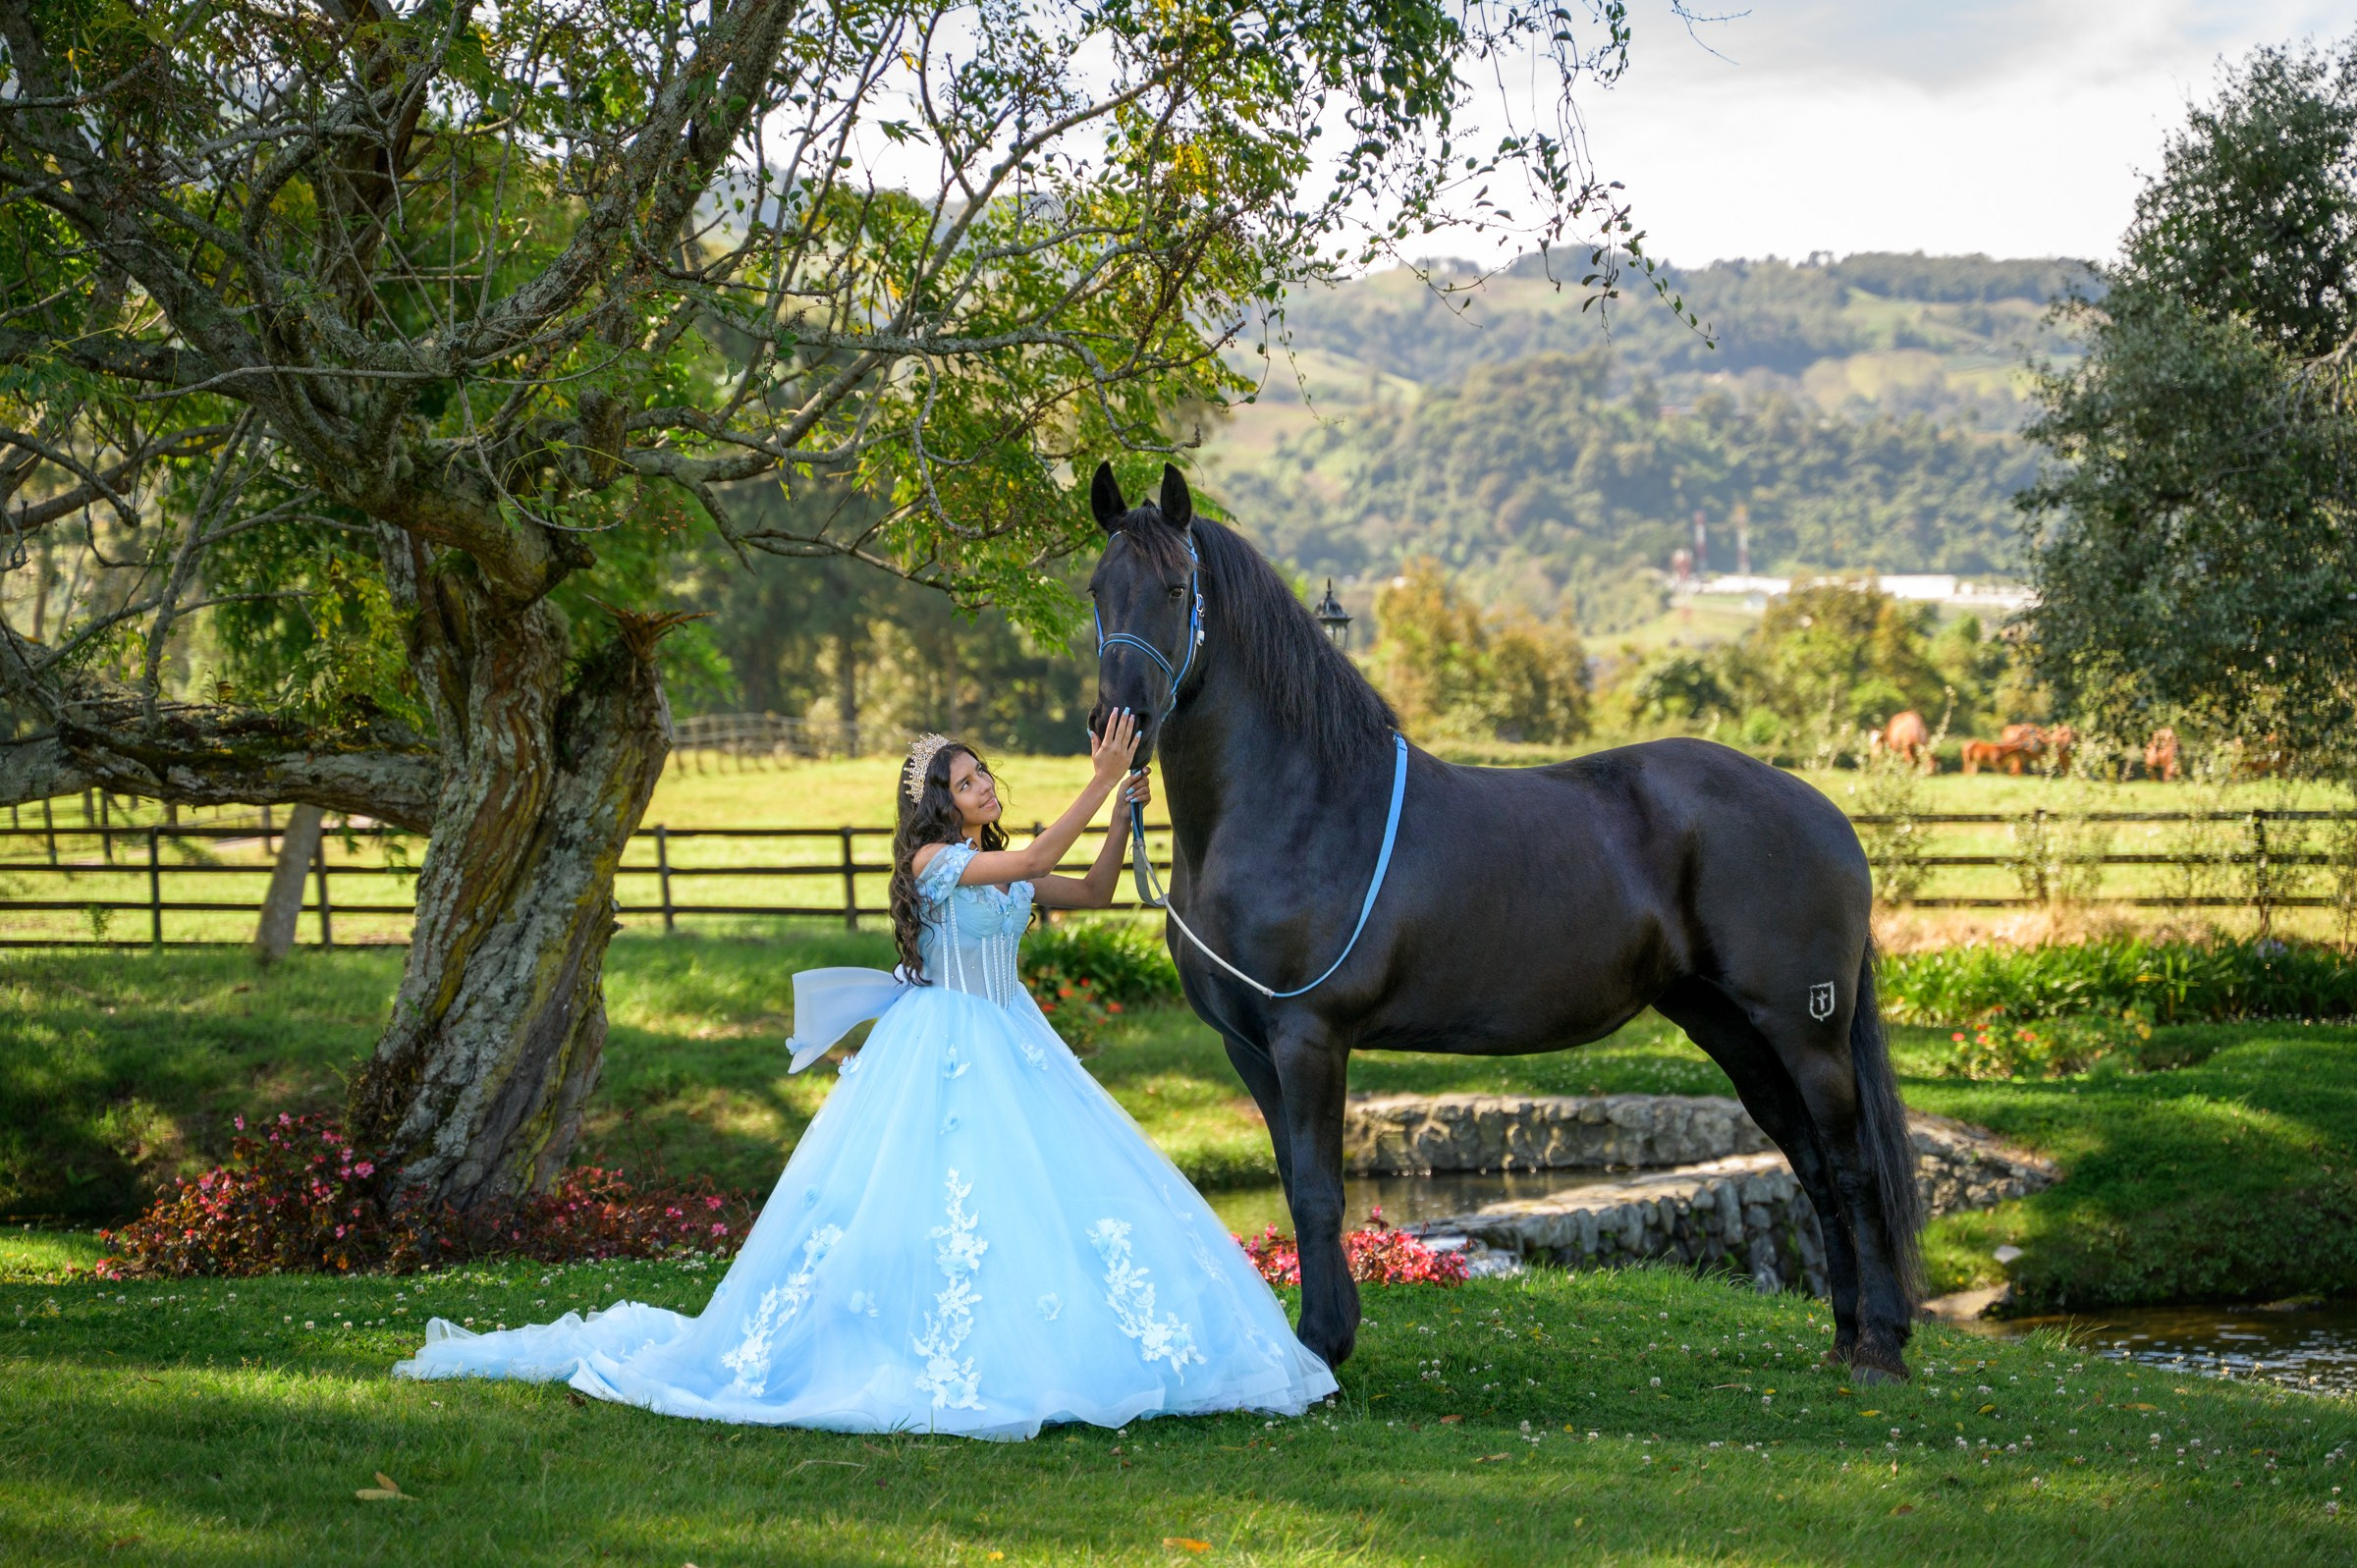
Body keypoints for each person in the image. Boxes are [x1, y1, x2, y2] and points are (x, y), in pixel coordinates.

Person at [394, 710, 1336, 1438]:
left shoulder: (993, 864)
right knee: (929, 1203)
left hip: (1015, 1037)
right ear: (937, 803)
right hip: (944, 1045)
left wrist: (1120, 816)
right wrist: (1096, 778)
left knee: (1033, 1206)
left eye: (981, 773)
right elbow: (1041, 854)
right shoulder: (934, 862)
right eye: (965, 780)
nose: (981, 784)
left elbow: (1080, 886)